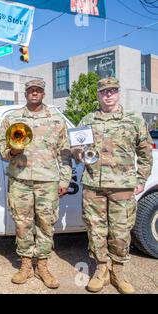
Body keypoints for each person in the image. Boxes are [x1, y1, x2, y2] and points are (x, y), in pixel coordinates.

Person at [74, 77, 153, 294]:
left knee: (120, 231)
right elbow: (76, 149)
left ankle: (118, 271)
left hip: (123, 186)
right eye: (104, 92)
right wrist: (80, 154)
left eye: (112, 91)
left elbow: (145, 153)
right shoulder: (87, 120)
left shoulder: (133, 119)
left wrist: (141, 179)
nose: (108, 95)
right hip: (94, 185)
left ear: (118, 93)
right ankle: (101, 270)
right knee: (96, 230)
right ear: (98, 95)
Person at [0, 79, 72, 289]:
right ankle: (26, 265)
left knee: (46, 223)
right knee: (22, 224)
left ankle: (43, 265)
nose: (34, 93)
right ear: (26, 93)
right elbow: (1, 147)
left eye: (38, 90)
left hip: (48, 181)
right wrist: (11, 151)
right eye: (31, 90)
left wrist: (65, 179)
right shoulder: (12, 118)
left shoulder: (56, 119)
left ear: (43, 93)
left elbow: (65, 153)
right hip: (20, 180)